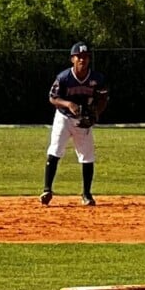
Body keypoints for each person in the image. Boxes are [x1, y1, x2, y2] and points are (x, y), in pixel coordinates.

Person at [39, 42, 109, 206]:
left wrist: (96, 114)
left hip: (83, 120)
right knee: (55, 150)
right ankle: (47, 189)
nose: (82, 60)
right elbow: (52, 97)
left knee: (87, 156)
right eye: (79, 57)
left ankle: (86, 194)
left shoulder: (96, 79)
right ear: (72, 59)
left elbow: (103, 98)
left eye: (85, 57)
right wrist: (68, 104)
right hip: (63, 118)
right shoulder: (64, 78)